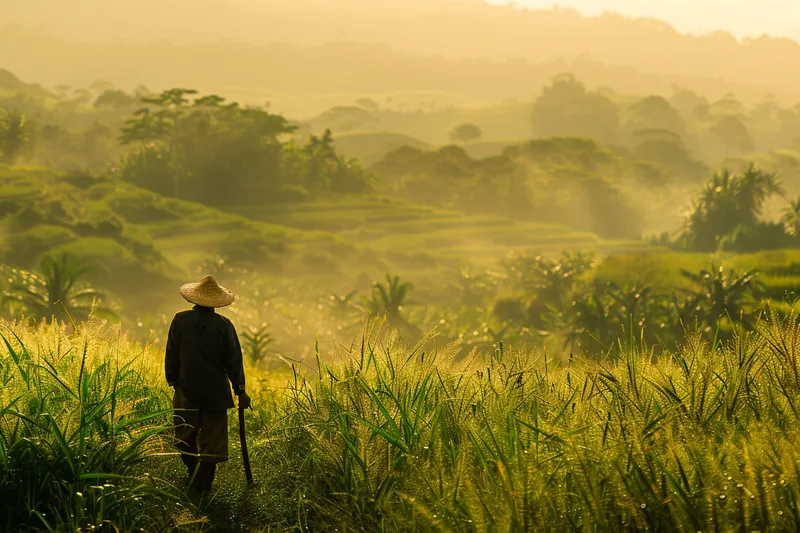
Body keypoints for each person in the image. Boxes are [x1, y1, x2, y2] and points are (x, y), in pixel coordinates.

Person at [165, 274, 252, 493]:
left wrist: (173, 380)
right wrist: (240, 390)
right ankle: (201, 485)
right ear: (216, 303)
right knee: (212, 445)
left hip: (186, 390)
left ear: (194, 299)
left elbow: (171, 354)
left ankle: (194, 479)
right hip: (216, 393)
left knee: (184, 439)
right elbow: (233, 360)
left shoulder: (179, 320)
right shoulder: (224, 325)